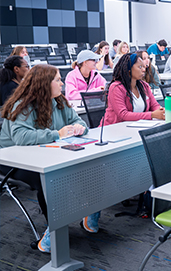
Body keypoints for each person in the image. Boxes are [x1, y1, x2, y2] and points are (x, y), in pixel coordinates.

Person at [0, 64, 89, 253]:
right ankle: (54, 232)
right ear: (44, 84)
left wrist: (80, 128)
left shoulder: (58, 101)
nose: (62, 83)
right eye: (57, 80)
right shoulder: (22, 105)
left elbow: (78, 121)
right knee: (48, 178)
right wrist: (58, 134)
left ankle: (86, 212)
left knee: (81, 167)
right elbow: (22, 138)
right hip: (12, 161)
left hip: (43, 155)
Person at [103, 53, 165, 125]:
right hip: (115, 129)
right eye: (140, 67)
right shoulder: (116, 88)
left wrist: (161, 111)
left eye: (143, 67)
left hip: (138, 127)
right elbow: (123, 115)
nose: (144, 70)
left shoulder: (144, 86)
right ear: (129, 69)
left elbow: (154, 105)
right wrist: (151, 115)